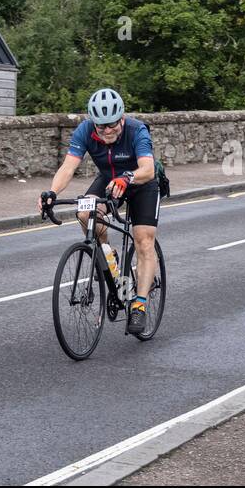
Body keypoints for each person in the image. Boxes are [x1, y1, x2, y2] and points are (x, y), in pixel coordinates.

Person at [39, 89, 160, 333]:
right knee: (85, 212)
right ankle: (107, 254)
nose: (106, 131)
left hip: (141, 184)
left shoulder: (137, 130)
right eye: (101, 126)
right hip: (108, 181)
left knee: (143, 240)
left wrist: (128, 178)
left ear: (122, 118)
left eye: (112, 125)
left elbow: (148, 168)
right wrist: (52, 192)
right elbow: (68, 166)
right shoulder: (85, 131)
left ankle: (139, 305)